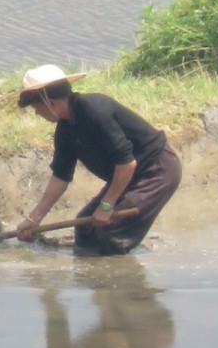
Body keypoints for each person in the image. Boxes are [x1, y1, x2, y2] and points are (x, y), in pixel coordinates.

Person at [15, 64, 182, 255]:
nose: (37, 114)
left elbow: (127, 163)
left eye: (37, 108)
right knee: (85, 229)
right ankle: (92, 277)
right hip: (125, 176)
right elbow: (61, 176)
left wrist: (106, 205)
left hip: (156, 170)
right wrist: (34, 219)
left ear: (51, 103)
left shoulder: (95, 110)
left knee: (111, 233)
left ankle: (112, 279)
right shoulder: (64, 129)